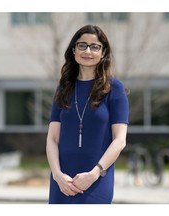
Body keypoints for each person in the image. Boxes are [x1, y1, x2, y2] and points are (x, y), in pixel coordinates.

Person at [45, 24, 129, 204]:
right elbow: (52, 138)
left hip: (97, 180)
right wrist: (58, 175)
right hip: (62, 182)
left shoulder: (114, 89)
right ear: (74, 50)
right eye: (82, 45)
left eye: (95, 46)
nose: (88, 51)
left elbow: (120, 140)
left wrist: (94, 173)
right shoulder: (64, 88)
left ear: (103, 52)